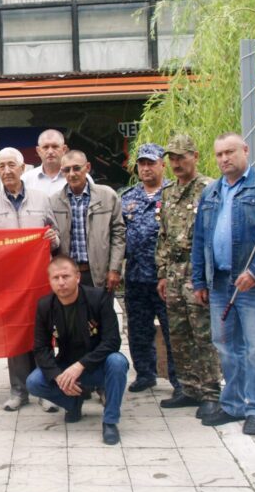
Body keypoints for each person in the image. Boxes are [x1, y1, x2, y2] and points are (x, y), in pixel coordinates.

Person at [192, 132, 255, 436]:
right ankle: (233, 404)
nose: (224, 159)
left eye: (230, 152)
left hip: (252, 285)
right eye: (219, 154)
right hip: (220, 283)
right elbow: (199, 241)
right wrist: (199, 280)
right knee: (226, 346)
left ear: (245, 151)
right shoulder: (211, 192)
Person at [26, 256, 129, 445]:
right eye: (55, 278)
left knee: (118, 362)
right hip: (67, 364)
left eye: (66, 276)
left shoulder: (99, 298)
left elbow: (112, 341)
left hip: (97, 366)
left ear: (78, 277)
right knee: (34, 382)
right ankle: (73, 403)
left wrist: (81, 365)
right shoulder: (45, 306)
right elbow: (41, 348)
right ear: (49, 282)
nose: (61, 282)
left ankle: (110, 421)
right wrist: (58, 376)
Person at [0, 146, 60, 413]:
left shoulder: (42, 199)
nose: (7, 171)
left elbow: (56, 237)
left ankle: (45, 390)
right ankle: (18, 391)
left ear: (23, 168)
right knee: (15, 336)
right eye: (2, 166)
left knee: (42, 335)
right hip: (9, 284)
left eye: (11, 165)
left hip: (39, 280)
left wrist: (53, 239)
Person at [155, 134, 221, 418]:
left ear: (195, 156)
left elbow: (216, 236)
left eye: (182, 157)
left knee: (202, 334)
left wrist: (205, 279)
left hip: (197, 272)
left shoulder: (209, 189)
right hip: (173, 273)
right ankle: (188, 388)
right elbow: (164, 236)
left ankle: (211, 392)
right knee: (178, 333)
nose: (176, 163)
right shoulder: (168, 192)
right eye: (172, 158)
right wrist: (162, 273)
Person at [120, 143, 179, 394]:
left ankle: (179, 381)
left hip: (165, 278)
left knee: (172, 330)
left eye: (151, 163)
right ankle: (145, 373)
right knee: (138, 329)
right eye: (142, 164)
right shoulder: (128, 197)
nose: (146, 168)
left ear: (162, 165)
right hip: (135, 277)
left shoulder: (174, 194)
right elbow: (119, 235)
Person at [49, 149, 125, 290]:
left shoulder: (107, 196)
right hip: (67, 275)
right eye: (67, 170)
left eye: (77, 168)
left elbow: (118, 235)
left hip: (98, 273)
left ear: (88, 167)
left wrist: (115, 269)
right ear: (62, 172)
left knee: (100, 312)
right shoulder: (54, 201)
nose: (72, 174)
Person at [21, 129, 92, 196]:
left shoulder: (83, 178)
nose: (50, 152)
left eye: (55, 147)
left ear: (64, 149)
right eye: (45, 147)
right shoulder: (26, 179)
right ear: (38, 151)